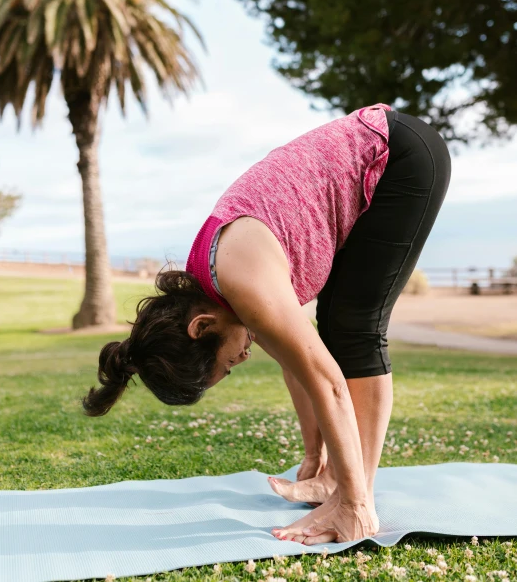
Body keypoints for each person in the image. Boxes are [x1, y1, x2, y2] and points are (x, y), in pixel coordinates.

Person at [82, 103, 451, 546]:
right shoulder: (218, 288)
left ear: (200, 327)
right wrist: (314, 457)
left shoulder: (242, 282)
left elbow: (328, 382)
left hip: (398, 154)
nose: (243, 357)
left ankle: (357, 503)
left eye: (228, 362)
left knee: (354, 330)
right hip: (389, 149)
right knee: (333, 328)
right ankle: (333, 482)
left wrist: (353, 504)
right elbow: (295, 361)